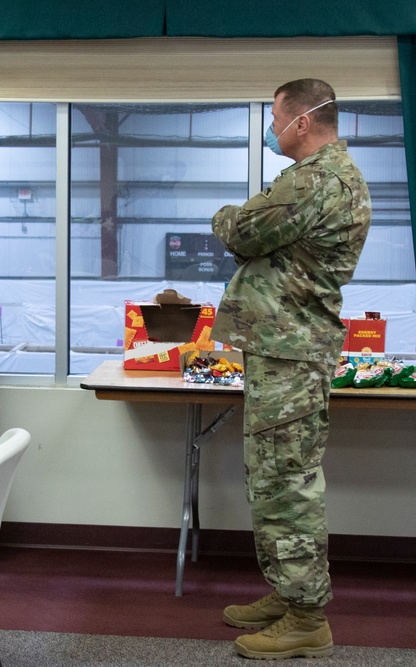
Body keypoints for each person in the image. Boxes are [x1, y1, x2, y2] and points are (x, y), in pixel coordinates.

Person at [211, 79, 371, 660]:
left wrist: (226, 215)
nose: (271, 127)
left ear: (302, 121)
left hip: (292, 351)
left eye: (276, 117)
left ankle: (307, 617)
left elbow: (246, 229)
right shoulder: (320, 177)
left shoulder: (317, 179)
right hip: (284, 347)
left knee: (286, 482)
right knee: (272, 475)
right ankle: (287, 593)